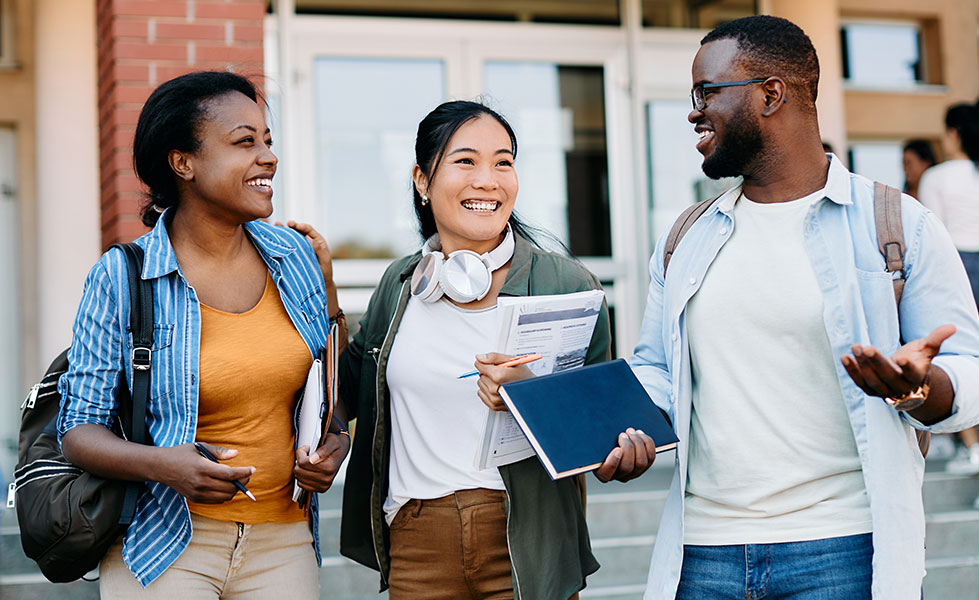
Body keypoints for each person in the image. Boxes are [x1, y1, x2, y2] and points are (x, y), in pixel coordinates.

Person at [629, 15, 979, 600]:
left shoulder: (896, 225)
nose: (693, 111)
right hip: (703, 556)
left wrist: (916, 386)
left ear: (771, 94)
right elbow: (656, 372)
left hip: (841, 550)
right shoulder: (687, 237)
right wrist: (610, 429)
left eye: (707, 92)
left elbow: (967, 372)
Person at [315, 100, 657, 600]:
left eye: (504, 161)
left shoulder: (565, 284)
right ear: (422, 181)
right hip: (418, 541)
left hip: (529, 544)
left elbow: (603, 434)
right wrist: (323, 292)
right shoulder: (400, 284)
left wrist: (552, 412)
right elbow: (346, 390)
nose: (488, 180)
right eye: (466, 161)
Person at [57, 72, 347, 597]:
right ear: (182, 162)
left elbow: (324, 384)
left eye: (267, 141)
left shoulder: (295, 258)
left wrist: (335, 443)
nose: (268, 157)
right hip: (164, 543)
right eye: (244, 142)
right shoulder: (123, 275)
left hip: (283, 540)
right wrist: (164, 465)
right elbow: (78, 430)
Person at [916, 103, 979, 475]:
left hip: (958, 265)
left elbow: (931, 232)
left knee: (959, 358)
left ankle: (972, 447)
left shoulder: (938, 176)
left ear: (954, 133)